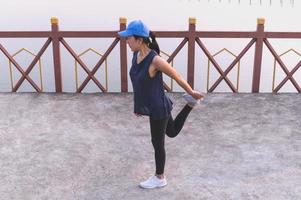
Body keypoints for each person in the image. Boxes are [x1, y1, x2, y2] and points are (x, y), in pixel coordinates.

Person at [118, 20, 204, 189]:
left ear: (139, 40)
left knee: (158, 143)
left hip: (158, 106)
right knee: (171, 132)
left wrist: (192, 91)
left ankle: (160, 177)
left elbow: (177, 76)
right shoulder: (136, 55)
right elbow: (138, 82)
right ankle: (190, 105)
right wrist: (139, 106)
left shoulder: (155, 60)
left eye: (128, 38)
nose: (126, 41)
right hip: (153, 103)